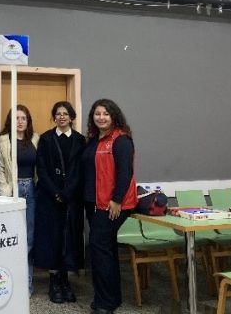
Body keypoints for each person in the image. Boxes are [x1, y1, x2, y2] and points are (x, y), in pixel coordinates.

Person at [81, 99, 137, 314]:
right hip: (93, 203)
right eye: (97, 114)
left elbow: (125, 172)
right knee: (106, 250)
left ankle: (105, 303)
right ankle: (110, 298)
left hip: (111, 205)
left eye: (106, 113)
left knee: (100, 250)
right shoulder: (94, 139)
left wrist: (116, 200)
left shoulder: (121, 140)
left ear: (114, 116)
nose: (101, 117)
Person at [34, 101, 86, 304]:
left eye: (65, 113)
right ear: (54, 117)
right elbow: (41, 169)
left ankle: (66, 280)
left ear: (71, 117)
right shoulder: (46, 138)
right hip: (50, 199)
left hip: (72, 200)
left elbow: (80, 170)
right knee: (52, 239)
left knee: (69, 238)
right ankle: (54, 281)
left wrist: (67, 193)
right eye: (58, 113)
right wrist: (55, 192)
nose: (62, 117)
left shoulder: (80, 140)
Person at [0, 104, 39, 293]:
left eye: (23, 118)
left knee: (29, 237)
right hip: (12, 192)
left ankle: (26, 284)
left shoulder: (36, 139)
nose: (20, 121)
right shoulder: (3, 141)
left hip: (32, 190)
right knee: (11, 236)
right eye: (16, 118)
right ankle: (10, 283)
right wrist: (6, 196)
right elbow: (0, 171)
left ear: (28, 121)